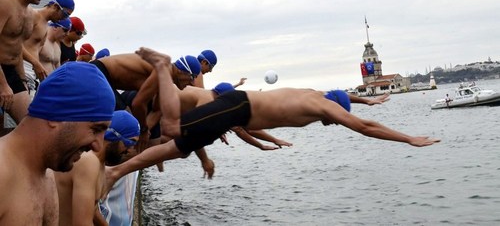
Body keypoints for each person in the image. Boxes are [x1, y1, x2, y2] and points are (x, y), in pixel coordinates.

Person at [105, 48, 440, 190]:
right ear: (333, 113)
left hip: (238, 109)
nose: (335, 121)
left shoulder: (316, 94)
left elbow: (340, 94)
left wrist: (365, 102)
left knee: (178, 147)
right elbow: (364, 128)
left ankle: (115, 172)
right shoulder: (325, 108)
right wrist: (407, 138)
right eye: (337, 117)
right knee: (173, 131)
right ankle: (164, 66)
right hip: (237, 107)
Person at [0, 61, 115, 225]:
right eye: (96, 129)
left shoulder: (46, 174)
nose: (98, 145)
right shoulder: (2, 173)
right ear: (56, 115)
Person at [90, 53, 201, 150]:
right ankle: (103, 157)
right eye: (192, 77)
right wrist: (142, 130)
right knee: (127, 118)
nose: (192, 84)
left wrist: (144, 132)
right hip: (97, 72)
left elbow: (156, 110)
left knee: (133, 126)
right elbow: (138, 103)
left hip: (103, 78)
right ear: (182, 71)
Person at [55, 110, 139, 226]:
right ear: (115, 136)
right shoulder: (88, 162)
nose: (130, 150)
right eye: (130, 143)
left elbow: (92, 210)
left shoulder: (98, 163)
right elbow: (82, 223)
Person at [0, 0, 49, 133]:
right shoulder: (4, 3)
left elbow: (16, 48)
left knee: (29, 127)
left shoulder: (30, 14)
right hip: (1, 74)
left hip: (11, 71)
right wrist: (3, 85)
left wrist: (22, 81)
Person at [23, 0, 75, 96]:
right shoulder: (32, 16)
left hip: (32, 78)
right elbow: (14, 44)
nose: (64, 19)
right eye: (65, 15)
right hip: (21, 74)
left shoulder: (44, 27)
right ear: (55, 6)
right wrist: (36, 64)